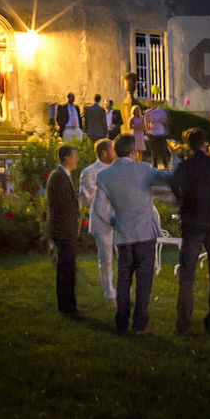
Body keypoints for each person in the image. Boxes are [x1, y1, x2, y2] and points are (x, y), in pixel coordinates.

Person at [94, 134, 169, 335]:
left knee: (124, 279)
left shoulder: (104, 175)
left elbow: (100, 209)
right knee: (144, 282)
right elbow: (165, 183)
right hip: (145, 234)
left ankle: (121, 322)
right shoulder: (144, 169)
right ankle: (140, 325)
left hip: (123, 234)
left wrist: (114, 221)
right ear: (132, 151)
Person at [168, 128, 210, 336]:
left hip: (193, 223)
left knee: (187, 274)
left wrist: (182, 201)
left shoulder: (187, 166)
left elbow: (173, 182)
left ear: (188, 145)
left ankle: (183, 322)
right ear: (205, 143)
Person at [46, 145, 86, 319]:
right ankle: (67, 307)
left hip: (66, 229)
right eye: (75, 156)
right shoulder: (59, 177)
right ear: (67, 158)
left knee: (68, 268)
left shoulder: (64, 176)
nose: (77, 159)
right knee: (66, 269)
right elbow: (62, 205)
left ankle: (69, 305)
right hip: (63, 230)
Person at [78, 138, 118, 303]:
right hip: (102, 222)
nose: (116, 153)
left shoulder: (118, 169)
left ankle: (123, 290)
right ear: (104, 153)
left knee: (124, 258)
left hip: (120, 220)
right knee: (106, 259)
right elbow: (88, 198)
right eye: (113, 150)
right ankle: (109, 292)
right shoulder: (90, 171)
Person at [142, 102, 170, 168]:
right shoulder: (148, 112)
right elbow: (145, 121)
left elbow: (165, 120)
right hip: (152, 133)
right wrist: (147, 130)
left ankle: (165, 164)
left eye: (154, 103)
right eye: (151, 103)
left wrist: (159, 120)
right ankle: (155, 165)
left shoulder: (161, 111)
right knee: (154, 150)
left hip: (160, 132)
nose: (153, 104)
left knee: (162, 149)